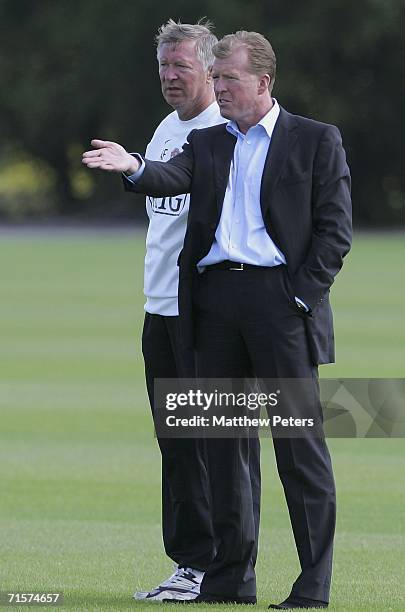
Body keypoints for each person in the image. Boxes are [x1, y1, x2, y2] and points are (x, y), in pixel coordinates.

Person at [83, 30, 352, 608]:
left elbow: (335, 232)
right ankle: (231, 581)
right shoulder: (208, 143)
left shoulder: (313, 139)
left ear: (263, 82)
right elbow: (168, 176)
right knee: (224, 451)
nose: (220, 87)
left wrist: (298, 298)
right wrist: (132, 166)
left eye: (227, 77)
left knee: (297, 448)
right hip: (215, 310)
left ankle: (313, 586)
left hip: (278, 308)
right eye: (218, 77)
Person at [83, 20, 261, 603]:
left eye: (181, 66)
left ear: (210, 70)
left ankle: (216, 568)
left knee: (211, 442)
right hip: (159, 310)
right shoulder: (168, 126)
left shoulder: (223, 132)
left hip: (202, 314)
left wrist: (134, 167)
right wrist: (137, 162)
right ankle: (190, 565)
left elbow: (168, 180)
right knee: (176, 443)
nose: (169, 77)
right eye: (163, 66)